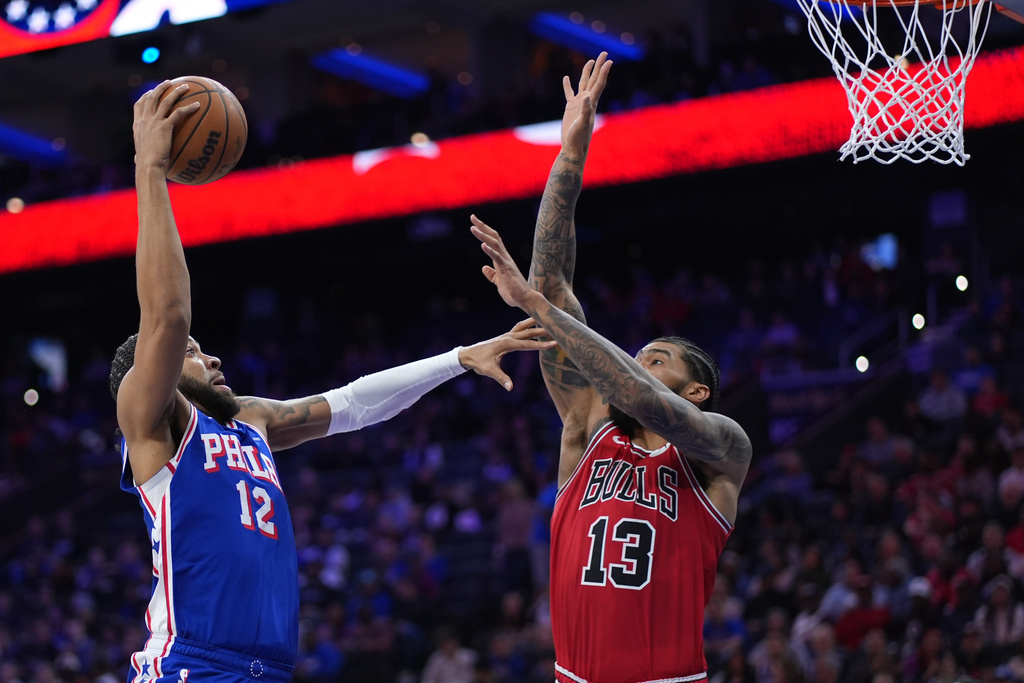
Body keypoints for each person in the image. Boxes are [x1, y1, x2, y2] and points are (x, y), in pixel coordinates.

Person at [111, 80, 555, 683]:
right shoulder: (154, 422)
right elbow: (167, 316)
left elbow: (352, 405)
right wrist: (151, 168)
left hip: (267, 669)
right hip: (191, 666)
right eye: (190, 354)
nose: (209, 357)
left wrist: (456, 358)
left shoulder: (251, 420)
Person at [469, 53, 752, 683]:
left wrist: (544, 308)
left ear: (697, 387)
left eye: (658, 356)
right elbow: (550, 278)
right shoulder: (588, 422)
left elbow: (644, 396)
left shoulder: (721, 448)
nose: (639, 357)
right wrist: (570, 153)